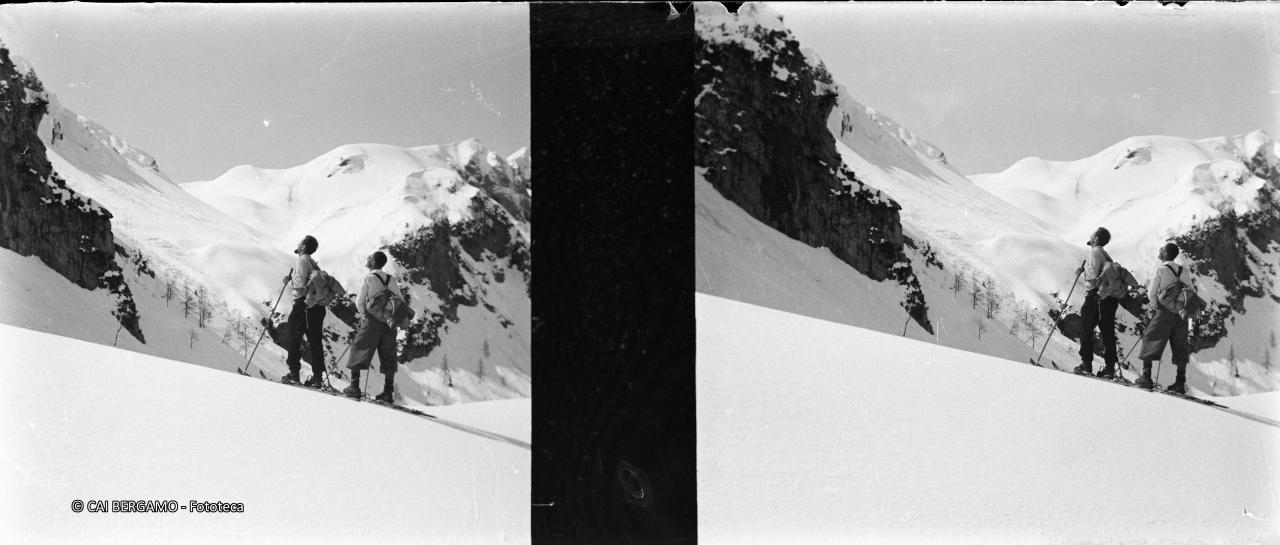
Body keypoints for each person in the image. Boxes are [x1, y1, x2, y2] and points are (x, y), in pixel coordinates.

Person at [1136, 242, 1195, 393]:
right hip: (1181, 312)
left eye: (1161, 249)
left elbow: (1151, 293)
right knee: (1180, 346)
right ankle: (1180, 382)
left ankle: (1146, 377)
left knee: (1151, 338)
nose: (1159, 251)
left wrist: (1157, 305)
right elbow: (1191, 292)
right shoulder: (1184, 271)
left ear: (1165, 254)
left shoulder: (1162, 269)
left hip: (1165, 311)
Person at [343, 251, 402, 402]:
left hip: (373, 321)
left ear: (374, 262)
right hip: (389, 322)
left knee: (359, 348)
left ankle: (354, 387)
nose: (367, 260)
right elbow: (400, 300)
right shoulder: (392, 280)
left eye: (369, 258)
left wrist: (364, 314)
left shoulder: (370, 278)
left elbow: (360, 301)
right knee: (388, 355)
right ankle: (388, 392)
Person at [1073, 227, 1120, 378]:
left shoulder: (1094, 252)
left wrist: (1083, 273)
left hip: (1096, 296)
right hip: (1110, 297)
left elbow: (1093, 275)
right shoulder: (1107, 256)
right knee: (1107, 333)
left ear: (1096, 239)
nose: (1090, 235)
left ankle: (1086, 364)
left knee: (1086, 327)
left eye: (1093, 234)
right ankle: (1110, 368)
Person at [281, 235, 327, 388]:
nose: (298, 243)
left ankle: (294, 373)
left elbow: (300, 281)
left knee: (294, 336)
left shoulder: (302, 261)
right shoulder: (314, 264)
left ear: (304, 247)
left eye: (300, 242)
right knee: (315, 341)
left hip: (303, 306)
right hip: (317, 306)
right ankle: (317, 377)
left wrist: (290, 280)